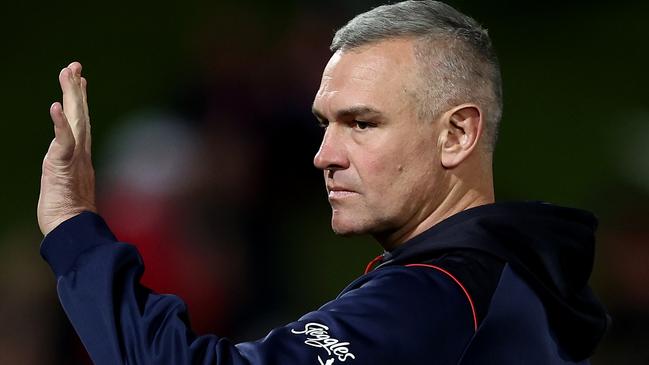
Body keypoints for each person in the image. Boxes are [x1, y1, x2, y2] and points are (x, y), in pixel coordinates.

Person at [37, 1, 609, 364]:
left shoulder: (437, 296)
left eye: (363, 123)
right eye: (323, 125)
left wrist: (73, 230)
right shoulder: (512, 282)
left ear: (457, 134)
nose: (323, 156)